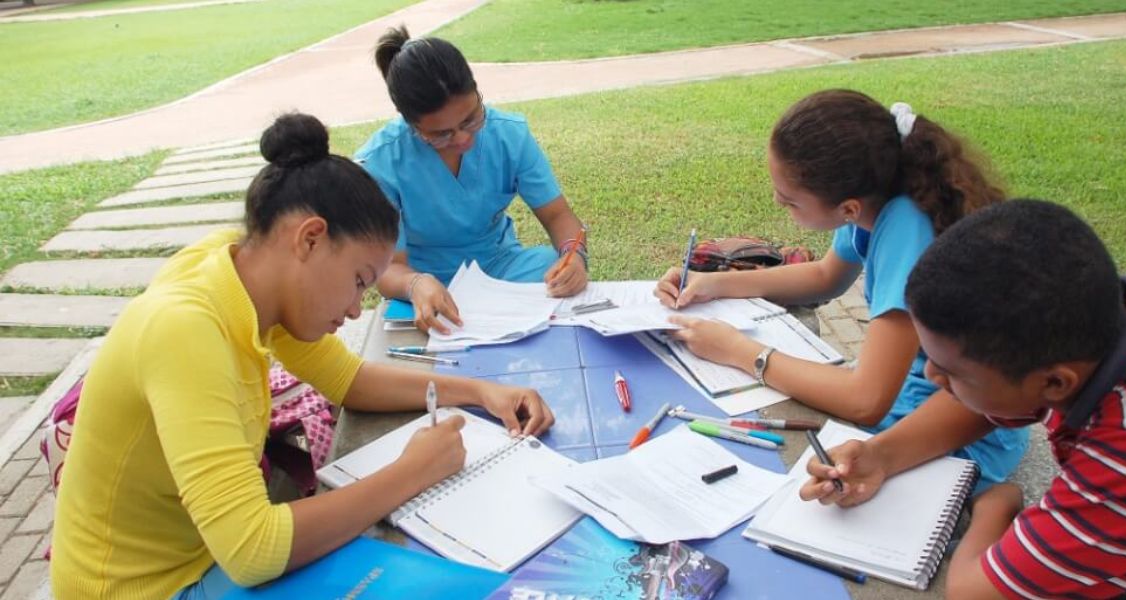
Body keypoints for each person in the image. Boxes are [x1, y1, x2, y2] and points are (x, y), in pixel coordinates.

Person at [50, 113, 556, 600]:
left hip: (201, 556)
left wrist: (480, 391)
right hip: (151, 588)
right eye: (359, 281)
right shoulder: (186, 328)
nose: (358, 311)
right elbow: (253, 550)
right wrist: (415, 472)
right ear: (310, 239)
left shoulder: (249, 270)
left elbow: (349, 381)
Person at [800, 200, 1126, 599]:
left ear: (1056, 384)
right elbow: (985, 404)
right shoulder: (1119, 322)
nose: (929, 376)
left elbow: (976, 593)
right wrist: (879, 456)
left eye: (952, 373)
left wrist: (998, 504)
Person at [654, 89, 1026, 490]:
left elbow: (866, 400)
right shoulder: (878, 195)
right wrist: (715, 284)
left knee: (784, 472)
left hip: (954, 429)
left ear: (848, 208)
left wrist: (741, 352)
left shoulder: (906, 229)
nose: (780, 206)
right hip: (915, 395)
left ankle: (993, 505)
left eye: (790, 202)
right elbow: (825, 276)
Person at [356, 25, 589, 334]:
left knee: (549, 265)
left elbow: (559, 216)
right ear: (410, 123)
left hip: (500, 269)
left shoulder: (509, 135)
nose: (463, 139)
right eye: (441, 135)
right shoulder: (380, 164)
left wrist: (574, 257)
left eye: (471, 119)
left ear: (477, 91)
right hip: (427, 284)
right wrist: (415, 283)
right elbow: (390, 268)